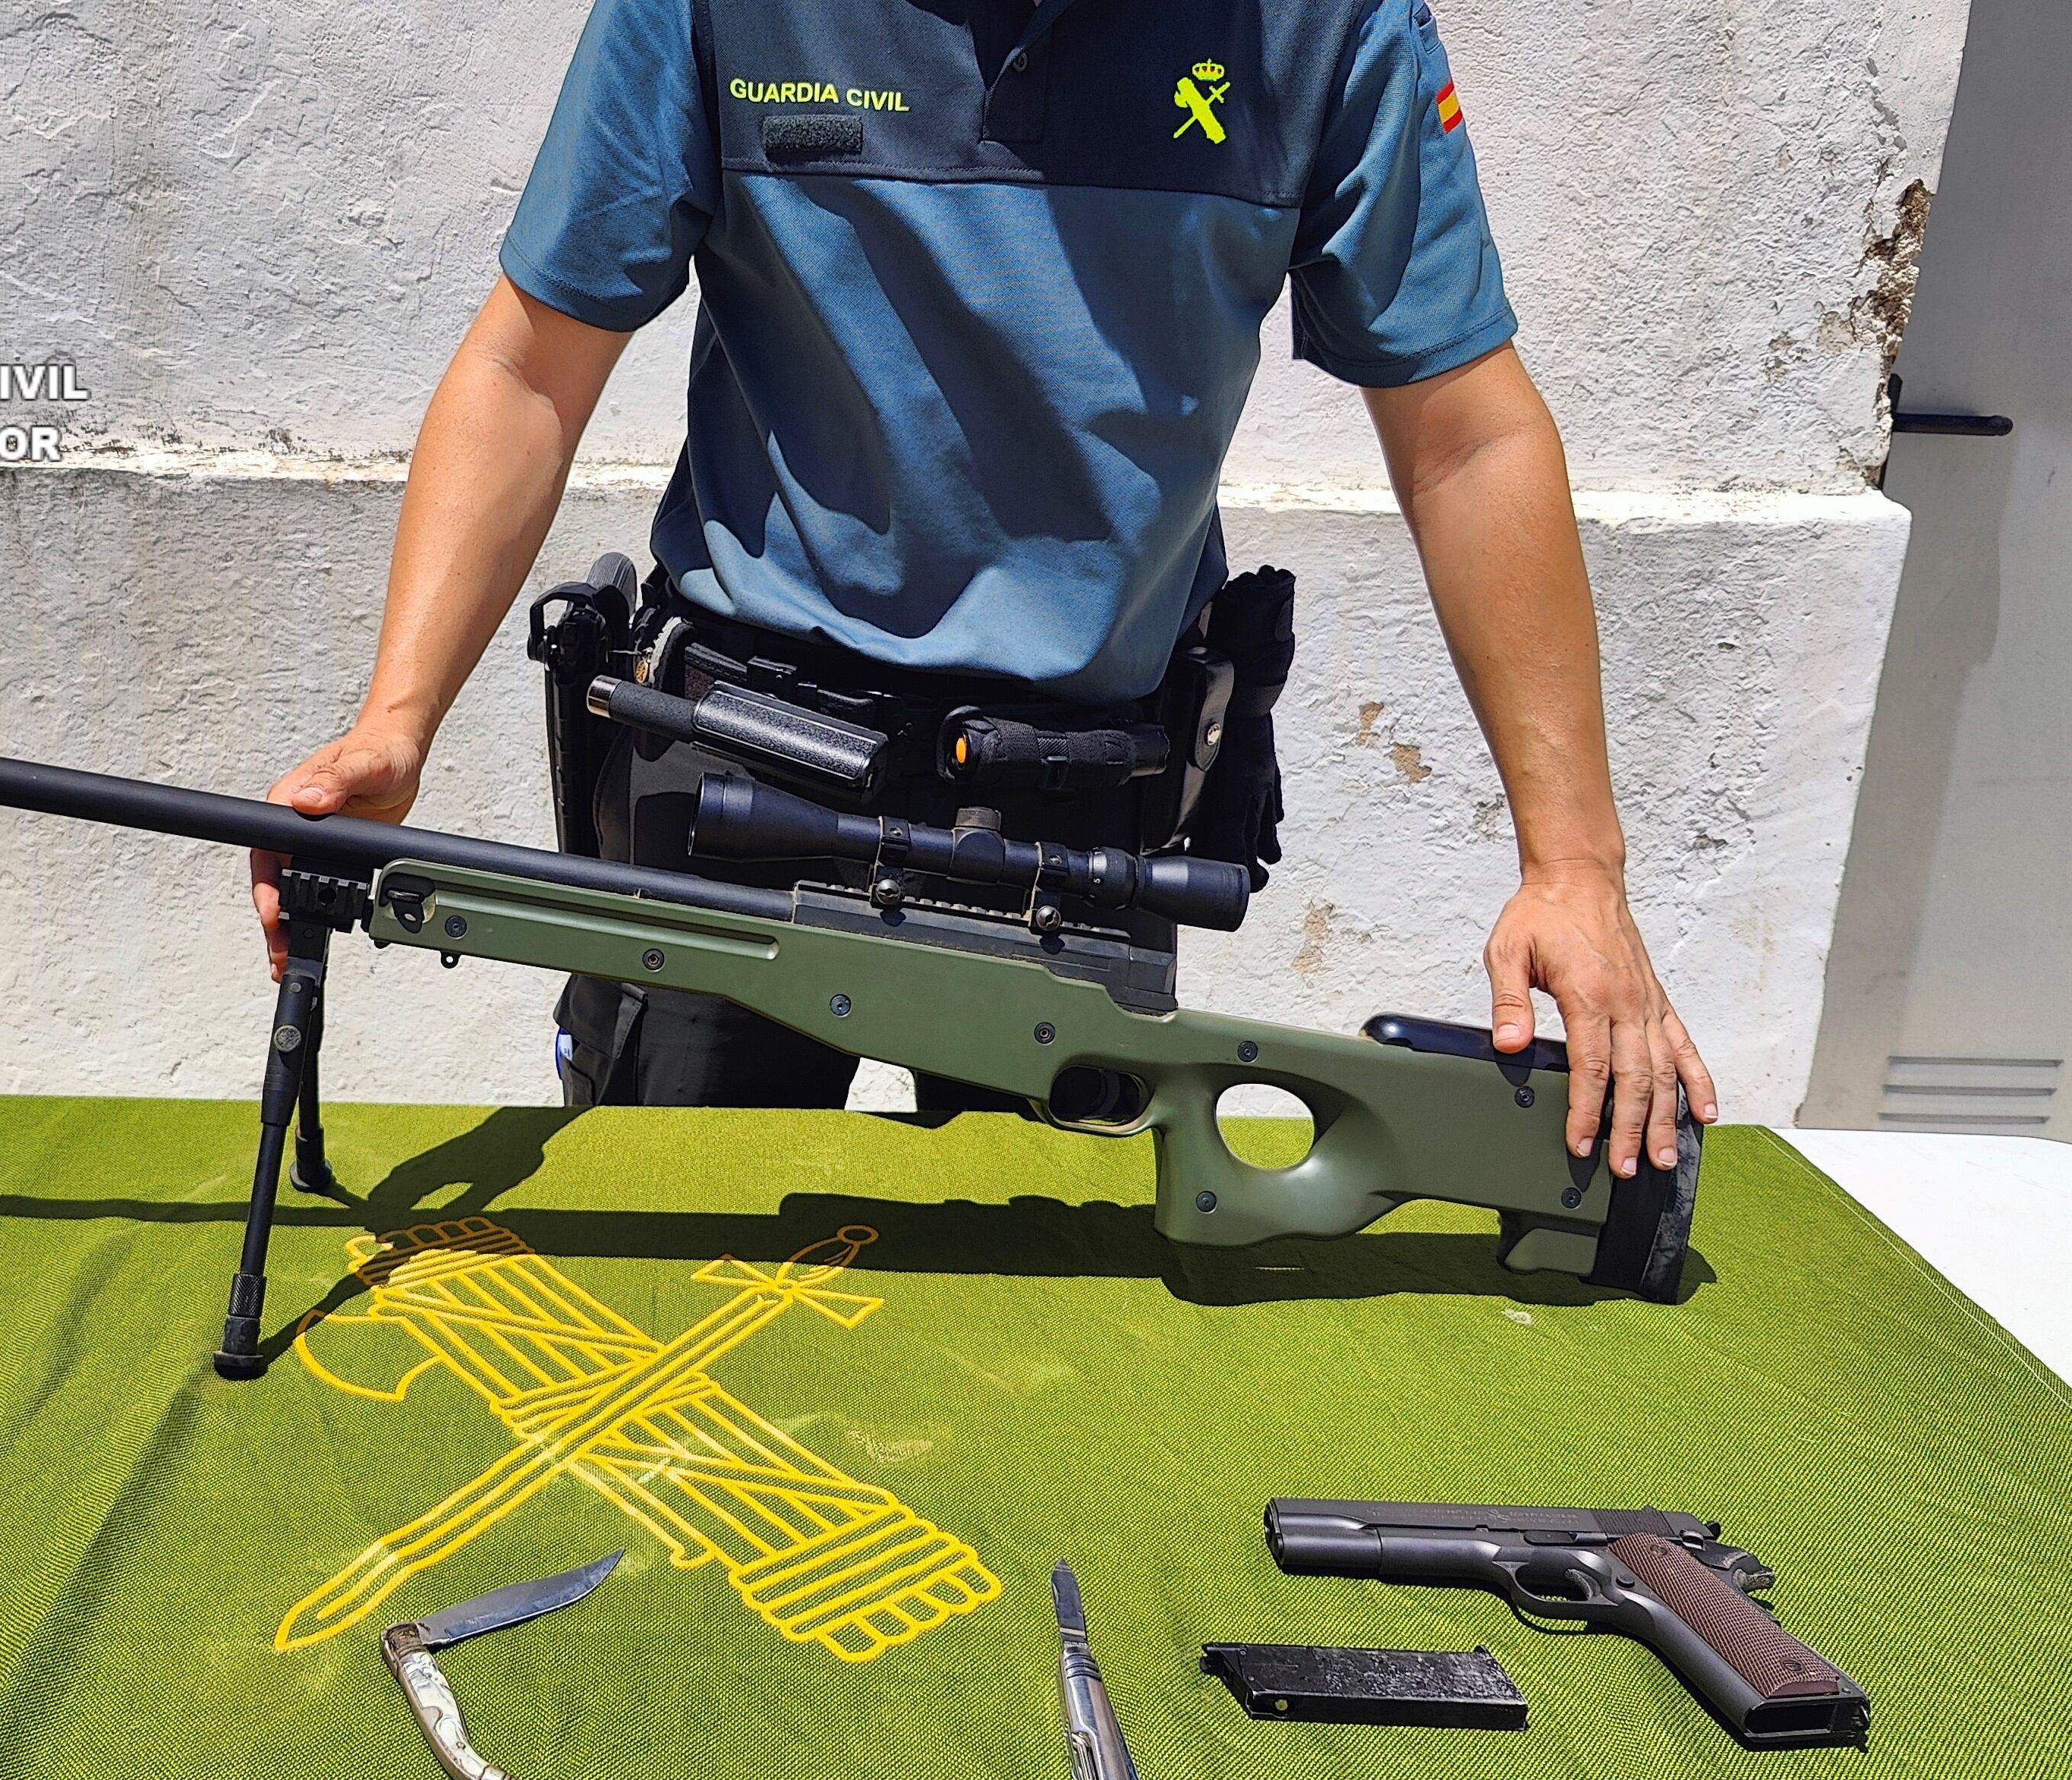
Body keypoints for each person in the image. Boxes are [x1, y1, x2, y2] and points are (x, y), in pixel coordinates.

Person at [253, 0, 1717, 1181]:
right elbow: (528, 367)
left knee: (1062, 1380)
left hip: (1088, 819)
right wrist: (398, 718)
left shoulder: (1324, 28)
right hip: (736, 786)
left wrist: (1575, 866)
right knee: (655, 1301)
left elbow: (1467, 430)